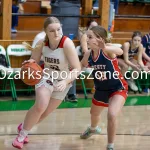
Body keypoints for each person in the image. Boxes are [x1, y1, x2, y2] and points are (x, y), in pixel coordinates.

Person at [12, 16, 81, 149]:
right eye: (52, 31)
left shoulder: (67, 44)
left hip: (63, 81)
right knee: (40, 106)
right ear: (45, 31)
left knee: (44, 114)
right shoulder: (41, 43)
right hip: (46, 77)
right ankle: (21, 136)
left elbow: (77, 68)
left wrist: (65, 81)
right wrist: (29, 64)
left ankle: (25, 125)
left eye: (58, 29)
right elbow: (34, 60)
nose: (56, 33)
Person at [80, 25, 128, 150]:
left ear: (99, 39)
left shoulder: (107, 50)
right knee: (94, 113)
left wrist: (105, 46)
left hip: (117, 88)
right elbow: (80, 66)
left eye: (90, 37)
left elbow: (120, 51)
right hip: (101, 89)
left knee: (112, 114)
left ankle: (110, 146)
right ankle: (93, 129)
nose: (87, 39)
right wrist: (68, 77)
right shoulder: (89, 54)